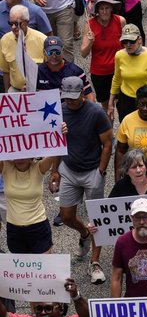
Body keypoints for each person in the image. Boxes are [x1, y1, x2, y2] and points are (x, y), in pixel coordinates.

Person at [53, 76, 110, 281]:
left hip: (91, 171)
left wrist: (101, 171)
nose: (70, 102)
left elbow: (107, 143)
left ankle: (95, 263)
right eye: (66, 98)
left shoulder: (96, 112)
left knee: (97, 219)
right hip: (68, 168)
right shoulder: (59, 110)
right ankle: (84, 233)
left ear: (82, 95)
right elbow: (55, 143)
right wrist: (55, 170)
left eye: (74, 98)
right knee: (66, 216)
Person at [3, 153, 59, 254]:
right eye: (16, 155)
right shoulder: (6, 166)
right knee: (20, 268)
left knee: (44, 266)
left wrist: (61, 137)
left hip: (38, 226)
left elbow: (55, 152)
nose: (20, 159)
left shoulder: (38, 167)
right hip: (14, 229)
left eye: (23, 154)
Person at [109, 25, 147, 122]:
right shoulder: (119, 55)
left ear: (139, 40)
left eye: (132, 41)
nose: (128, 45)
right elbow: (117, 78)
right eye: (125, 42)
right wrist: (111, 102)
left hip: (146, 100)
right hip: (126, 100)